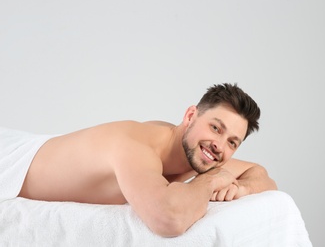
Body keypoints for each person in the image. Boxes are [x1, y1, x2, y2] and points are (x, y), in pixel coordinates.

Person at [13, 83, 277, 237]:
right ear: (190, 116)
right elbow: (168, 219)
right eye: (216, 128)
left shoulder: (200, 154)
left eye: (232, 142)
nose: (220, 146)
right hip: (11, 159)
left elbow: (261, 174)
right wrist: (211, 182)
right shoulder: (135, 147)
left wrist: (242, 187)